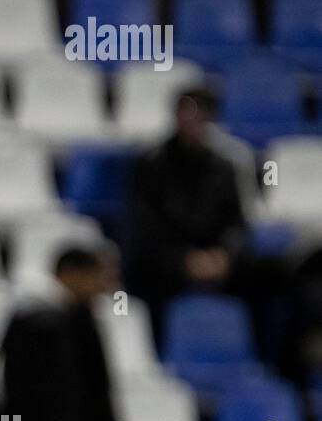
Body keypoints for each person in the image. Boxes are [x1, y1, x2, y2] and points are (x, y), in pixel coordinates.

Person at [123, 86, 305, 383]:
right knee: (142, 275)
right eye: (187, 114)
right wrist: (184, 260)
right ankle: (158, 363)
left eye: (200, 116)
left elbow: (237, 225)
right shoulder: (149, 166)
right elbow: (143, 228)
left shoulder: (224, 167)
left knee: (276, 274)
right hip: (165, 266)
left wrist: (224, 256)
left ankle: (275, 367)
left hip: (218, 262)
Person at [0, 247, 119, 421]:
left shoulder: (83, 319)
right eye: (95, 277)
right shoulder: (35, 321)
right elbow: (25, 384)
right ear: (71, 274)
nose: (102, 286)